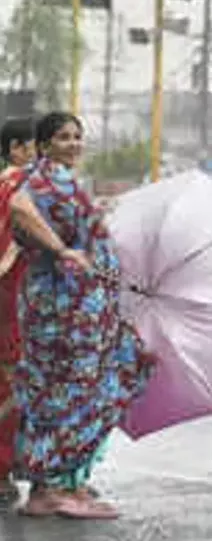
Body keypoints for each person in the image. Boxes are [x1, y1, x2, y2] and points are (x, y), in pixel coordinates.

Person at [10, 111, 155, 519]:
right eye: (63, 137)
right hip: (63, 308)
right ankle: (53, 487)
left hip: (76, 306)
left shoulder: (58, 180)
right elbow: (19, 209)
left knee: (68, 388)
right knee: (72, 388)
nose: (74, 143)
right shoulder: (46, 178)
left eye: (78, 136)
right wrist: (62, 250)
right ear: (44, 145)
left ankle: (59, 484)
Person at [0, 118, 36, 506]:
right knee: (12, 384)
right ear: (14, 149)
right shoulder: (19, 189)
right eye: (32, 147)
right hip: (15, 297)